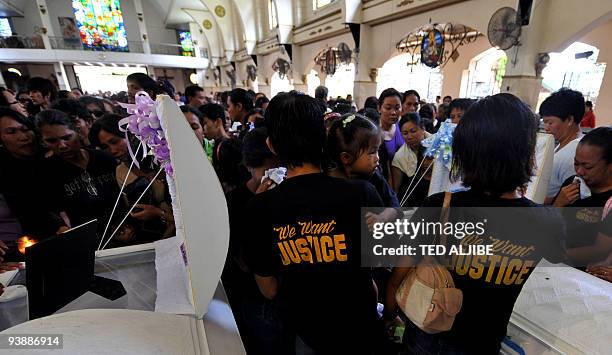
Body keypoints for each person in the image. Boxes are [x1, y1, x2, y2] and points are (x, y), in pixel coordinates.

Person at [384, 93, 565, 354]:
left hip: (427, 335)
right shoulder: (547, 222)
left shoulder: (439, 207)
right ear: (527, 152)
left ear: (466, 152)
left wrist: (390, 317)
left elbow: (397, 278)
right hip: (483, 343)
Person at [243, 92, 384, 354]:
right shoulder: (362, 194)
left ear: (272, 145)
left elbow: (270, 288)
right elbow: (382, 261)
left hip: (308, 334)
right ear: (323, 138)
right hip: (362, 329)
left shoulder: (260, 208)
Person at [223, 127, 287, 355]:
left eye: (279, 167)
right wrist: (258, 208)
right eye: (266, 169)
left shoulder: (290, 194)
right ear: (249, 167)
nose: (274, 175)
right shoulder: (236, 202)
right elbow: (240, 256)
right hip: (256, 294)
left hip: (285, 290)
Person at [89, 113, 175, 245]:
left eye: (114, 141)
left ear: (131, 134)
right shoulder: (121, 172)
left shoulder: (164, 156)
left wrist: (159, 213)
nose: (112, 150)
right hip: (156, 241)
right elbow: (136, 212)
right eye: (105, 147)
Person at [36, 109, 121, 238]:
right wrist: (60, 227)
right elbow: (49, 210)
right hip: (89, 240)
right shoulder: (47, 172)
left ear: (77, 131)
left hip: (126, 227)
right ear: (43, 142)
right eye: (52, 141)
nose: (62, 145)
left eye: (66, 137)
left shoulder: (104, 158)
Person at [0, 108, 67, 259]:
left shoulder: (55, 158)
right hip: (25, 251)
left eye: (25, 129)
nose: (23, 137)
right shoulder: (5, 172)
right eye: (12, 132)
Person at [553, 127, 612, 266]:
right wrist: (558, 204)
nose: (579, 171)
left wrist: (555, 254)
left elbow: (600, 250)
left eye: (588, 167)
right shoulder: (572, 184)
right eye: (576, 163)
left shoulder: (608, 203)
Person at [540, 88, 585, 203]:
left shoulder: (570, 154)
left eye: (550, 122)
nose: (546, 128)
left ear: (569, 120)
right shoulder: (571, 144)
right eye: (544, 122)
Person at [200, 103, 247, 193]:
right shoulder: (223, 143)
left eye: (205, 123)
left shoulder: (226, 147)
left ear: (218, 122)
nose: (202, 129)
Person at [391, 113, 432, 207]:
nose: (409, 136)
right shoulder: (399, 157)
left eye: (413, 131)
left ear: (423, 129)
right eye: (405, 133)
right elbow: (396, 189)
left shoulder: (438, 145)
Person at [377, 88, 404, 182]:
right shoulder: (373, 133)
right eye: (388, 108)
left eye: (397, 108)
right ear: (379, 108)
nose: (393, 112)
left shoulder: (403, 129)